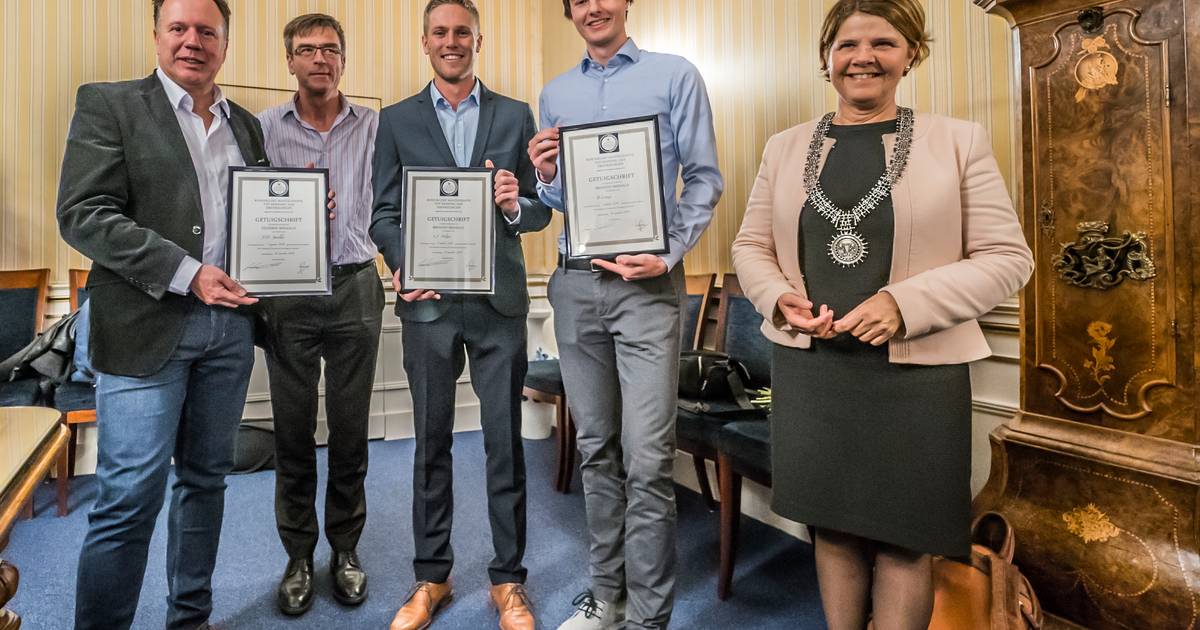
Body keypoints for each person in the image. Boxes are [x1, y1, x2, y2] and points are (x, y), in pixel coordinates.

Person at [730, 1, 1034, 628]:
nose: (862, 56)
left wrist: (905, 303)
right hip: (814, 370)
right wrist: (776, 297)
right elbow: (750, 246)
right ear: (826, 58)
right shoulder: (784, 148)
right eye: (846, 45)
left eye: (883, 43)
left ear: (911, 54)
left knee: (904, 539)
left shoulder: (959, 140)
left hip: (916, 377)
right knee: (831, 529)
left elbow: (1008, 258)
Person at [56, 1, 266, 628]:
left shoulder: (246, 127)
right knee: (128, 499)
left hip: (228, 331)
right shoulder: (110, 104)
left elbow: (256, 223)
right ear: (156, 36)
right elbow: (84, 213)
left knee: (205, 483)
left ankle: (189, 619)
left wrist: (304, 214)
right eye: (179, 28)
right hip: (146, 328)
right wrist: (187, 273)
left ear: (225, 44)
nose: (193, 41)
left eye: (208, 31)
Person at [527, 1, 723, 628]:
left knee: (648, 458)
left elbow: (704, 178)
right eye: (578, 0)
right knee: (596, 449)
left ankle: (647, 616)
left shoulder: (675, 75)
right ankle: (606, 597)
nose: (592, 7)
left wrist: (668, 254)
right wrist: (547, 172)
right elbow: (558, 200)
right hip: (576, 287)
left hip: (646, 292)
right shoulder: (554, 93)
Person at [370, 1, 551, 628]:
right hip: (429, 308)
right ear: (425, 43)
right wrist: (402, 263)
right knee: (431, 446)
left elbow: (540, 210)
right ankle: (432, 577)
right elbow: (382, 215)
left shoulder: (514, 114)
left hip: (498, 305)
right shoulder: (394, 121)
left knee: (504, 444)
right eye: (440, 33)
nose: (452, 42)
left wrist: (512, 204)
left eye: (462, 33)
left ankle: (509, 581)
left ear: (478, 40)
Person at [257, 12, 382, 616]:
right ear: (290, 61)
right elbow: (244, 212)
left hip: (358, 285)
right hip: (289, 296)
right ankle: (299, 555)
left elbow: (397, 206)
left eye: (331, 49)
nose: (320, 59)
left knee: (352, 431)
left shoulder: (377, 127)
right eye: (306, 49)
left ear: (343, 58)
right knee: (293, 431)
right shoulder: (260, 130)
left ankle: (347, 550)